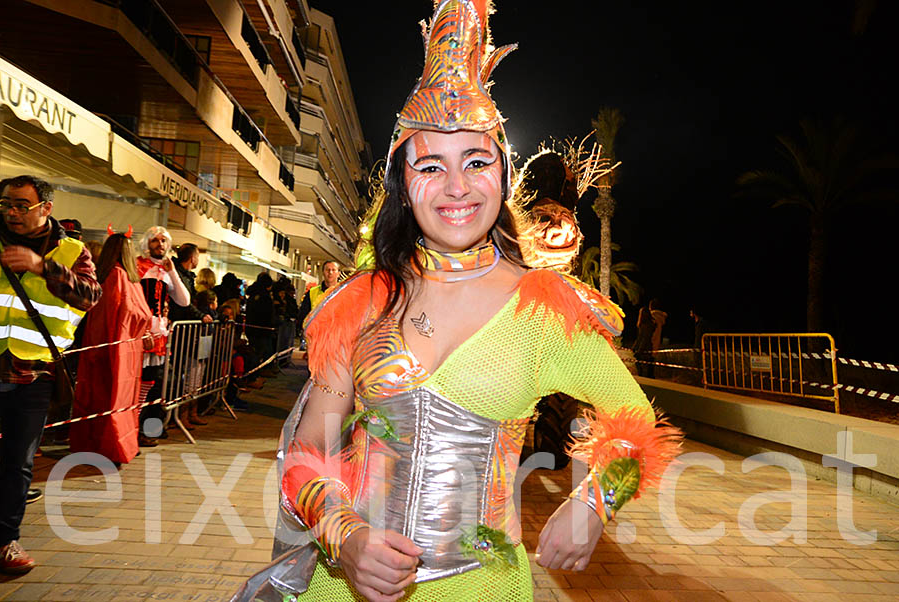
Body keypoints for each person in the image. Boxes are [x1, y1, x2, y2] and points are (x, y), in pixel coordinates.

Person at [231, 2, 681, 600]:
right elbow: (309, 449)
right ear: (402, 182)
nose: (457, 187)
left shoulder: (544, 308)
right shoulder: (360, 303)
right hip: (345, 589)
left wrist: (593, 503)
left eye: (476, 161)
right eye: (431, 166)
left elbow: (635, 422)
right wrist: (346, 538)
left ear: (502, 172)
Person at [0, 175, 101, 574]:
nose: (11, 212)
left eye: (22, 205)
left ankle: (5, 540)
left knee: (17, 462)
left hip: (33, 374)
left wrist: (42, 267)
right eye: (6, 204)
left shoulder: (72, 250)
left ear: (46, 208)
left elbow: (91, 297)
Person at [70, 230, 152, 465]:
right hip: (118, 350)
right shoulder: (122, 277)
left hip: (106, 346)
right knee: (116, 399)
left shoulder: (111, 275)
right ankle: (113, 445)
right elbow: (133, 313)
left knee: (101, 397)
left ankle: (100, 444)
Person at [135, 226, 192, 445]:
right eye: (155, 241)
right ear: (147, 244)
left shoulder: (167, 271)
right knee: (139, 385)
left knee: (156, 387)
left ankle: (149, 432)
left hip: (159, 337)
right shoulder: (138, 266)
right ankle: (134, 430)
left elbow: (184, 301)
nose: (160, 245)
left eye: (164, 241)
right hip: (140, 334)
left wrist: (172, 272)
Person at [296, 261, 341, 326]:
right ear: (323, 272)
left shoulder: (344, 292)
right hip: (315, 333)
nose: (330, 272)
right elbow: (303, 316)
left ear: (338, 274)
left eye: (333, 270)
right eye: (327, 270)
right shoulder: (312, 292)